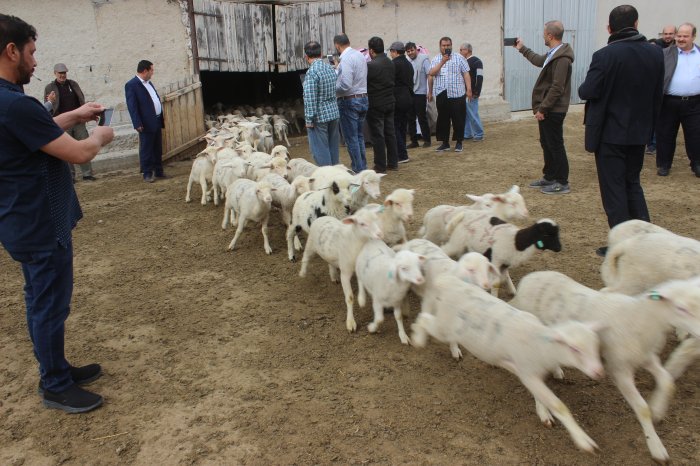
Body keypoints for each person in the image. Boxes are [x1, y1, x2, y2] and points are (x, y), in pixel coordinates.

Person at [0, 14, 114, 413]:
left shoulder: (8, 104)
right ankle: (54, 385)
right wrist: (99, 133)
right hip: (41, 224)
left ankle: (56, 367)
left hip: (20, 221)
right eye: (31, 52)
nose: (35, 61)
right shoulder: (15, 103)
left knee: (39, 299)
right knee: (50, 304)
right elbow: (81, 152)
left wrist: (74, 115)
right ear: (11, 51)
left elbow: (37, 130)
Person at [578, 5, 664, 257]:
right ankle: (645, 239)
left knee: (614, 190)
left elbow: (588, 90)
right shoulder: (655, 53)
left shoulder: (605, 55)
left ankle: (623, 246)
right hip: (639, 131)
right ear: (636, 24)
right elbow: (657, 94)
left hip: (610, 133)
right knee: (632, 184)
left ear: (609, 28)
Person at [515, 21, 574, 195]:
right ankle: (549, 177)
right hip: (549, 108)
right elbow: (539, 61)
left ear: (550, 35)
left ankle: (562, 182)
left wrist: (543, 108)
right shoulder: (554, 53)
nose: (542, 35)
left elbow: (557, 87)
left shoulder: (562, 58)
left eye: (544, 33)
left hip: (553, 109)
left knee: (555, 144)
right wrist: (521, 48)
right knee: (546, 143)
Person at [655, 23, 700, 178]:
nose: (681, 39)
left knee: (696, 135)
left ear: (693, 36)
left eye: (685, 36)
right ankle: (664, 165)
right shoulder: (665, 53)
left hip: (695, 102)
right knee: (665, 135)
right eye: (679, 35)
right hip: (669, 102)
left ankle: (697, 164)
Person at [44, 63, 96, 181]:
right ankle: (70, 176)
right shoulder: (49, 88)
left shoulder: (73, 84)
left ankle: (87, 174)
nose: (63, 75)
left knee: (85, 145)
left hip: (78, 122)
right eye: (60, 73)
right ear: (55, 73)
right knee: (66, 150)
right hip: (63, 123)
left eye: (64, 73)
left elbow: (81, 98)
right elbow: (48, 105)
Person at [125, 60, 165, 183]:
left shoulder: (149, 83)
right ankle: (147, 173)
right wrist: (137, 123)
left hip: (156, 119)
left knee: (157, 147)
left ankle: (159, 171)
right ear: (145, 71)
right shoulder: (132, 85)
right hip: (145, 122)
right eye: (151, 70)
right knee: (146, 148)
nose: (152, 73)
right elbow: (132, 106)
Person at [428, 37, 471, 152]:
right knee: (443, 119)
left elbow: (466, 74)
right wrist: (443, 61)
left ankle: (459, 142)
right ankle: (445, 143)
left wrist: (469, 89)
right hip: (442, 93)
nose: (446, 47)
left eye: (448, 45)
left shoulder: (459, 58)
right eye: (444, 45)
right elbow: (431, 73)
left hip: (458, 93)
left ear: (451, 45)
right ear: (440, 46)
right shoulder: (436, 59)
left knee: (458, 119)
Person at [301, 40, 340, 166]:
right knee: (333, 147)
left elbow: (310, 98)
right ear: (321, 53)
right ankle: (336, 176)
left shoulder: (312, 72)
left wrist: (308, 120)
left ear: (306, 57)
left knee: (320, 150)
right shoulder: (329, 68)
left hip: (320, 117)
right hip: (333, 114)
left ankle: (327, 178)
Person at [333, 34, 368, 173]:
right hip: (363, 97)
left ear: (337, 45)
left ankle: (358, 169)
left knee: (351, 138)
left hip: (349, 99)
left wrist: (332, 88)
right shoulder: (359, 55)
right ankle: (362, 166)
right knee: (359, 136)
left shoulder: (346, 59)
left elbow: (346, 84)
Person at [366, 36, 397, 173]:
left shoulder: (371, 66)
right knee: (390, 132)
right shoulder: (390, 62)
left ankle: (380, 165)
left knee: (378, 135)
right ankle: (393, 162)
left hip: (376, 103)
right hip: (390, 100)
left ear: (371, 50)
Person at [389, 41, 414, 164]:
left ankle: (402, 154)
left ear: (394, 52)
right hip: (408, 97)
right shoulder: (408, 64)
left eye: (391, 52)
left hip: (397, 98)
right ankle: (403, 153)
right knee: (403, 127)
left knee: (395, 127)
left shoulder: (394, 64)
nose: (390, 54)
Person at [405, 42, 431, 148]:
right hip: (410, 93)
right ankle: (414, 141)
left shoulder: (424, 59)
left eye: (412, 50)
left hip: (420, 93)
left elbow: (429, 75)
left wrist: (430, 92)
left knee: (422, 118)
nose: (410, 53)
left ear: (416, 50)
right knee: (410, 118)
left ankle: (427, 140)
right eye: (408, 51)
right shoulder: (407, 61)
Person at [459, 43, 484, 142]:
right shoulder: (463, 61)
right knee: (465, 114)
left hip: (472, 93)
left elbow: (480, 77)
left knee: (473, 114)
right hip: (463, 93)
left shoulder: (477, 61)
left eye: (461, 50)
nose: (460, 52)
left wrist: (476, 92)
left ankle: (479, 134)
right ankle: (467, 133)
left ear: (467, 50)